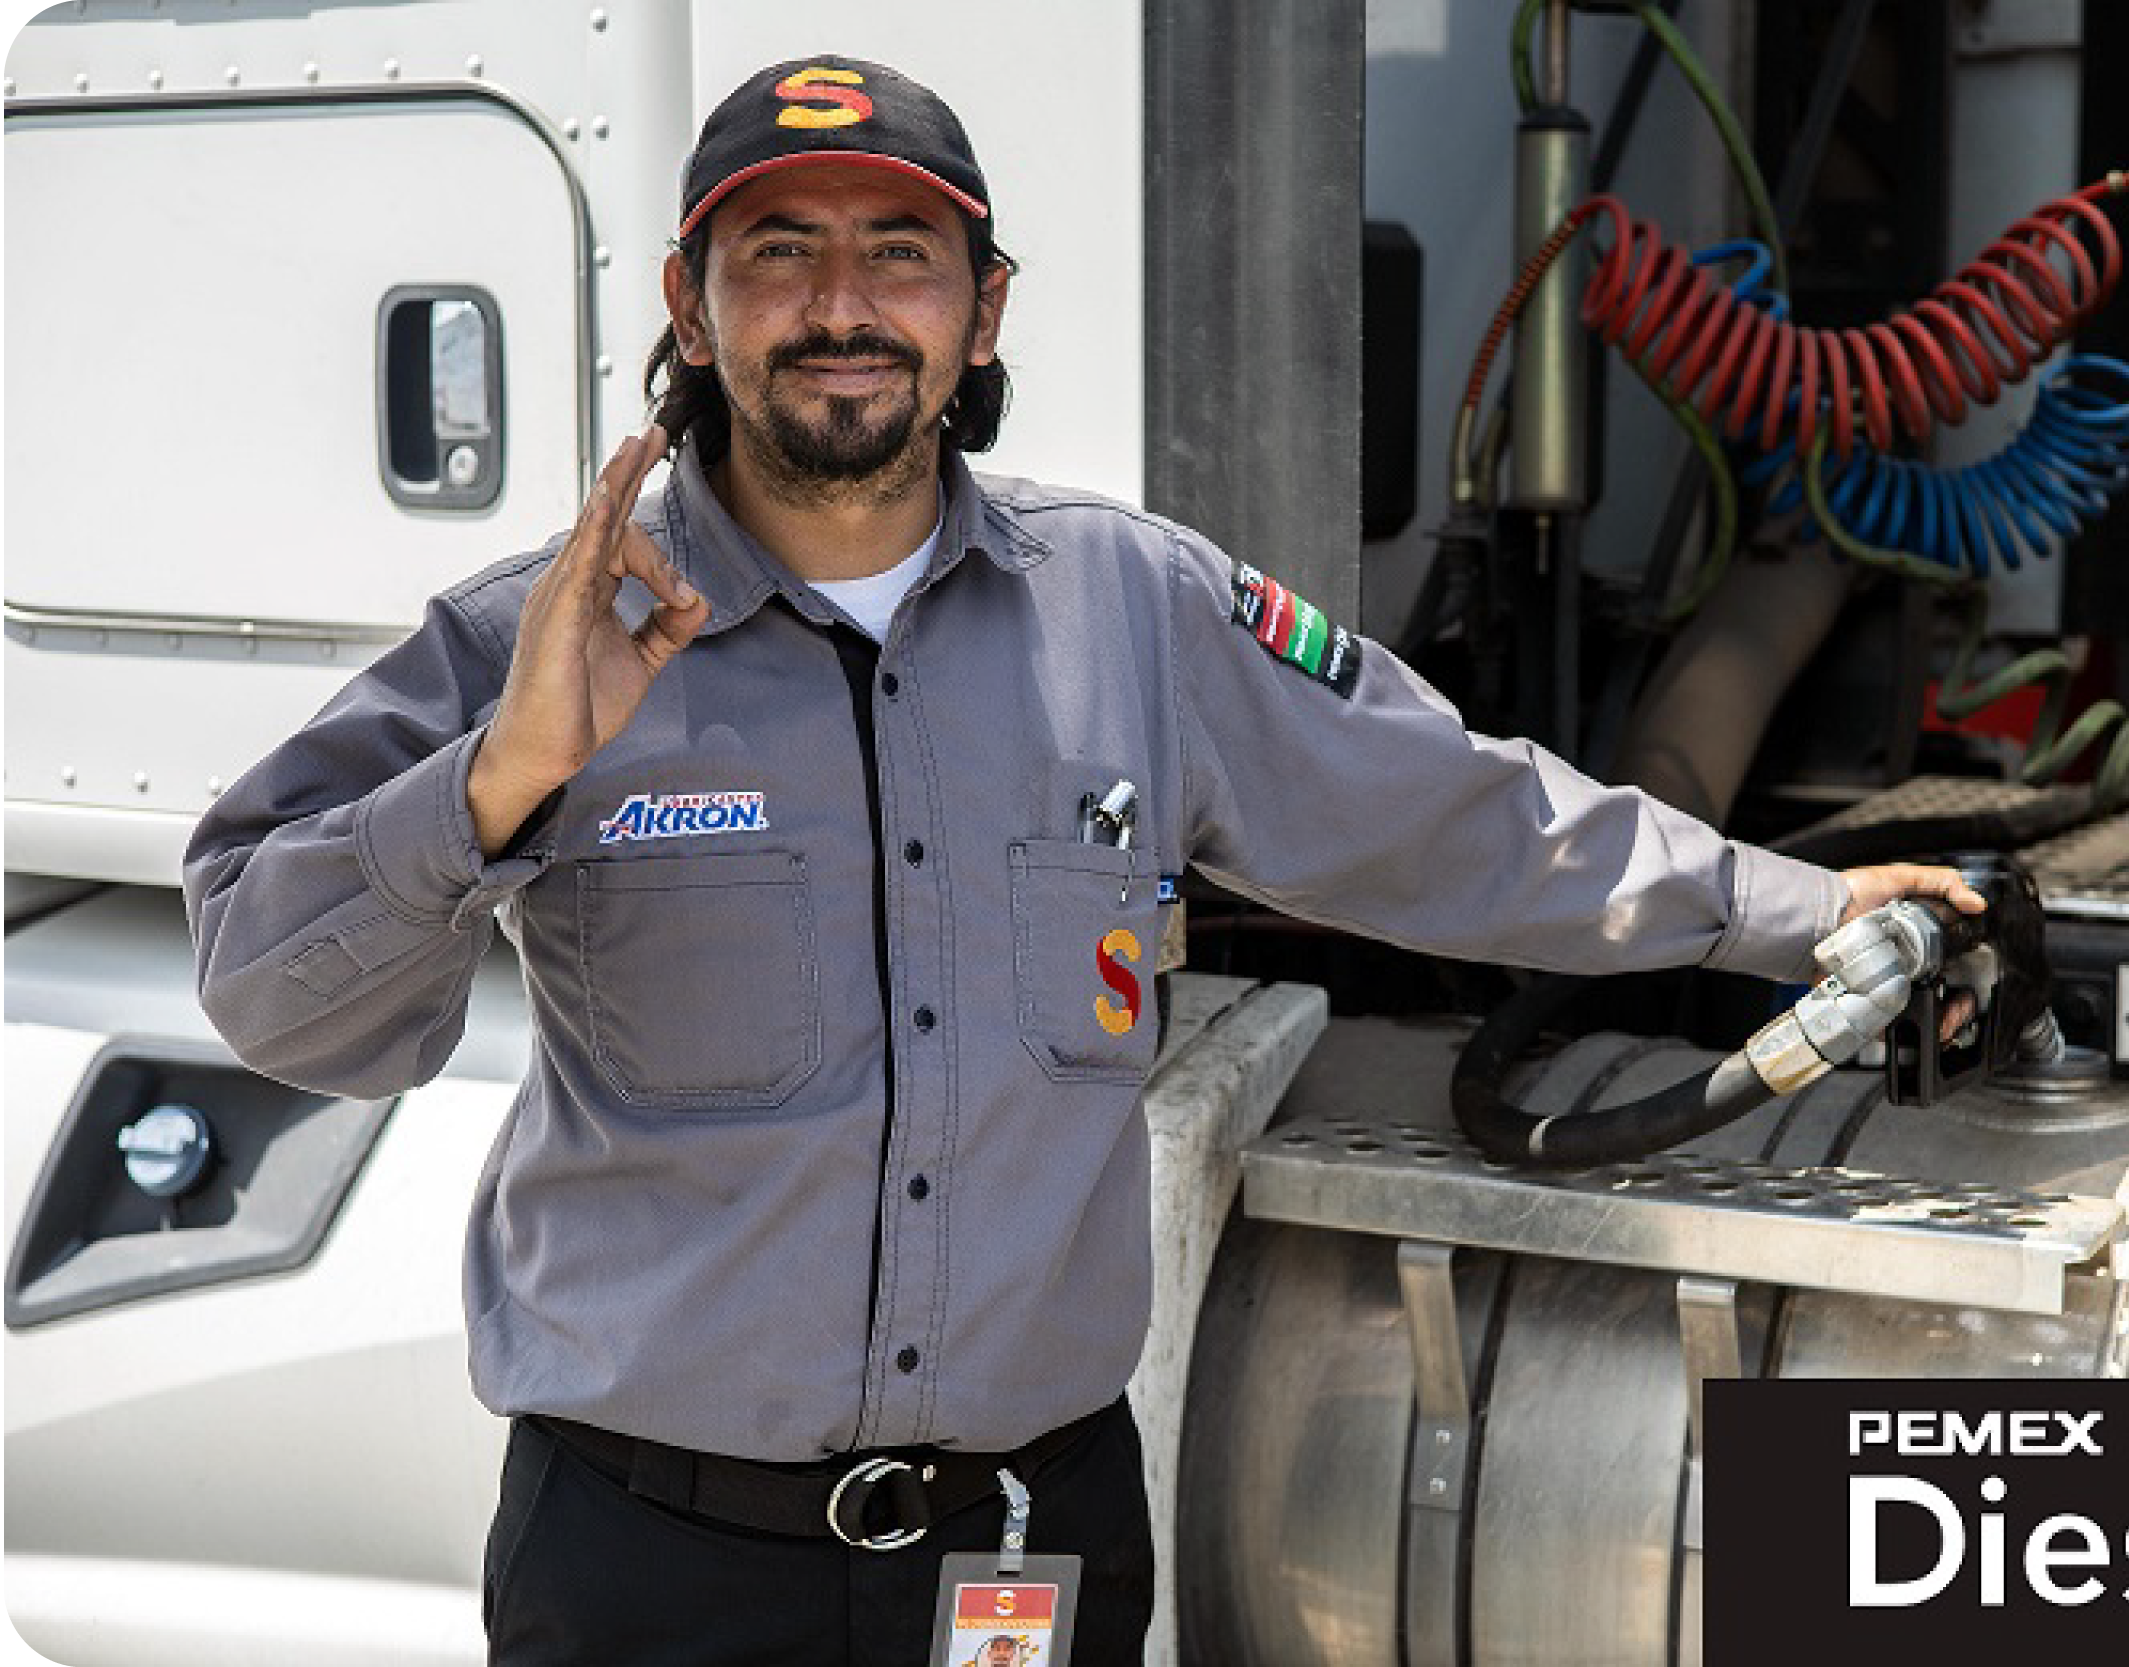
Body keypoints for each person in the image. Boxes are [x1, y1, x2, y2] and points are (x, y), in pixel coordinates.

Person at [183, 53, 1981, 1666]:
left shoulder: (1139, 609)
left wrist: (1800, 907)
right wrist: (499, 783)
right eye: (778, 250)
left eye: (899, 251)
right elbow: (270, 994)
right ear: (689, 300)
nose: (840, 304)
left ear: (983, 307)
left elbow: (1463, 817)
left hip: (1023, 1554)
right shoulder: (545, 632)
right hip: (649, 1571)